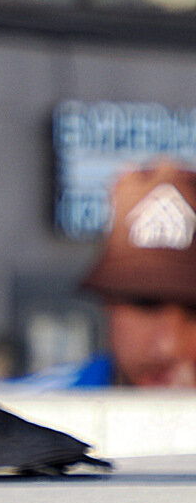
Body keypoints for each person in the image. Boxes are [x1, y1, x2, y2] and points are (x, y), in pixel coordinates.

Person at [24, 159, 196, 387]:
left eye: (193, 311)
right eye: (145, 304)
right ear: (106, 304)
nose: (168, 346)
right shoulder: (30, 410)